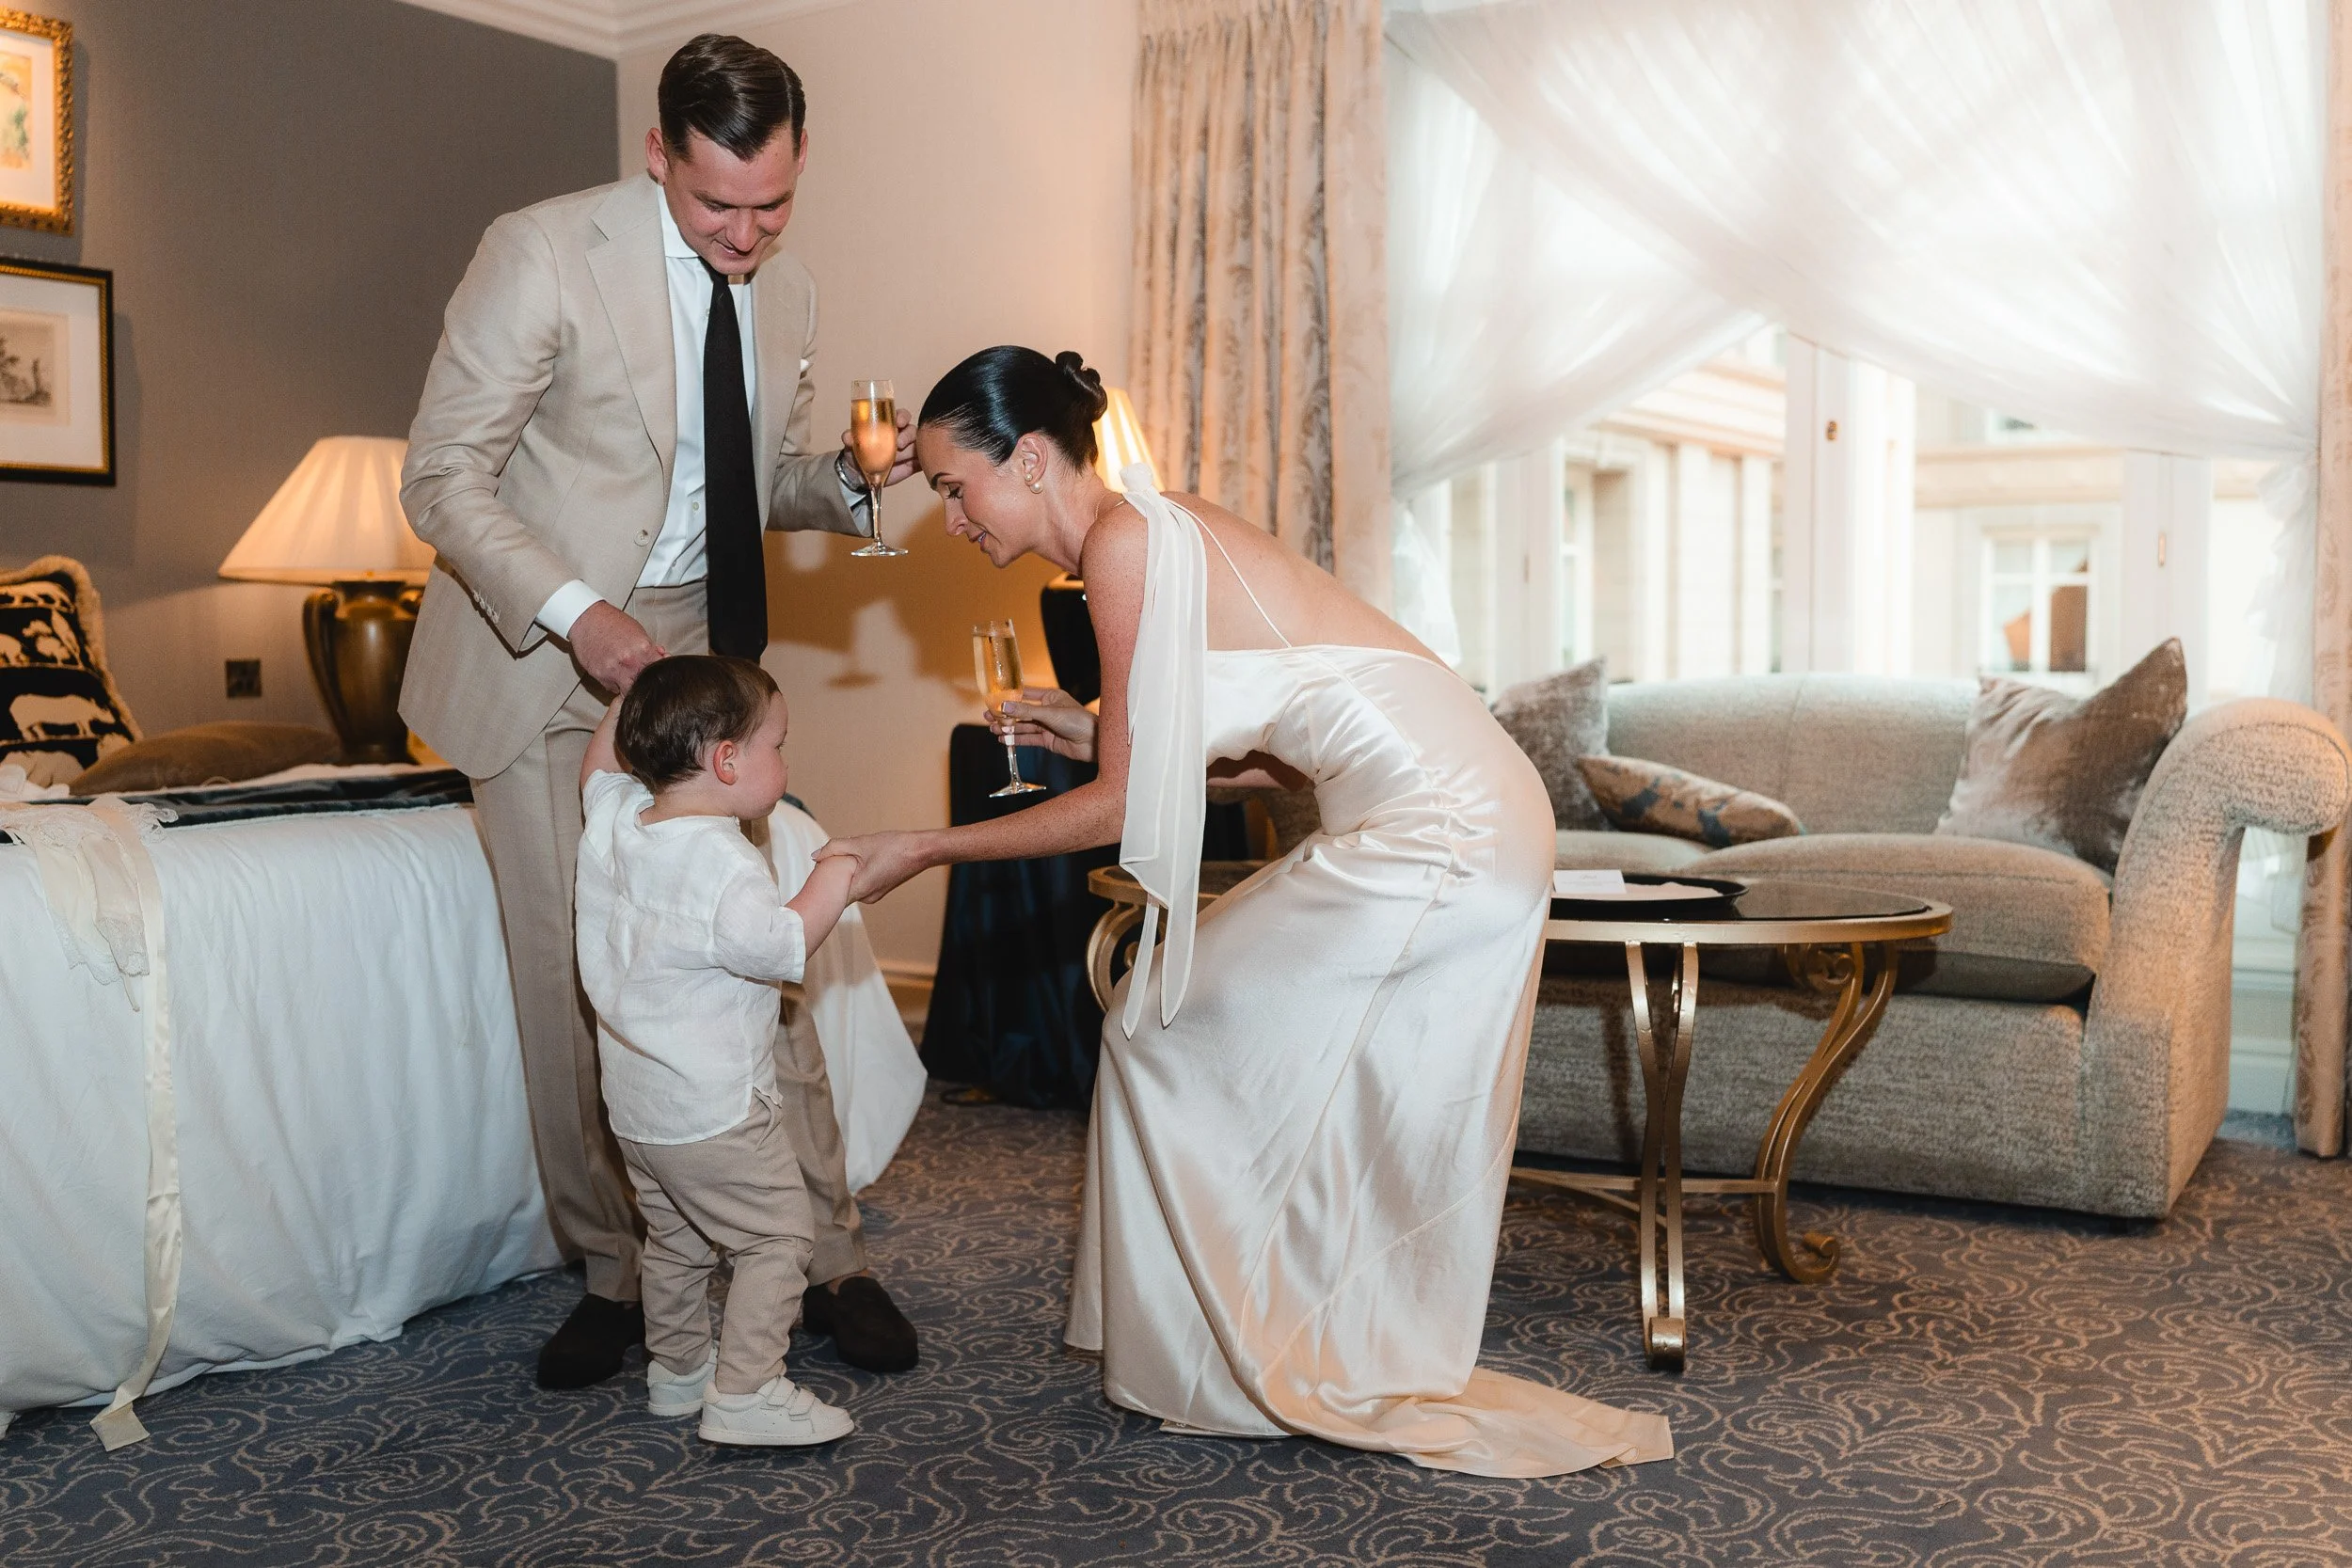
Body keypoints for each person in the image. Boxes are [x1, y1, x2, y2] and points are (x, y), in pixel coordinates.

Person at [820, 347, 1674, 1477]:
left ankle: (1243, 1350)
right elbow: (1278, 754)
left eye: (950, 486)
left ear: (1028, 457)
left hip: (1442, 828)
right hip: (1434, 810)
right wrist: (1093, 734)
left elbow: (1128, 807)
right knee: (1191, 1037)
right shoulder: (1149, 533)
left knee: (1160, 1027)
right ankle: (1246, 1343)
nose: (950, 517)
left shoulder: (1126, 542)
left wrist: (922, 845)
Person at [398, 32, 916, 1388]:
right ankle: (617, 1268)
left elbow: (746, 484)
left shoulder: (786, 292)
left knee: (759, 955)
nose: (747, 234)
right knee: (583, 978)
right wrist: (579, 612)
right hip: (543, 653)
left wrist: (858, 483)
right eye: (716, 205)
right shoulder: (542, 250)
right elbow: (444, 476)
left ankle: (824, 1250)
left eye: (774, 203)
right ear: (657, 156)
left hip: (695, 653)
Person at [576, 656, 859, 1447]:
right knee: (777, 1239)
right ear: (727, 762)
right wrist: (835, 875)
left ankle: (678, 1372)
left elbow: (596, 765)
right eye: (777, 745)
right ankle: (747, 1390)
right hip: (715, 1110)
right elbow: (780, 945)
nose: (786, 762)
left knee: (675, 1237)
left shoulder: (620, 817)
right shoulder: (726, 865)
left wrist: (632, 690)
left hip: (636, 1106)